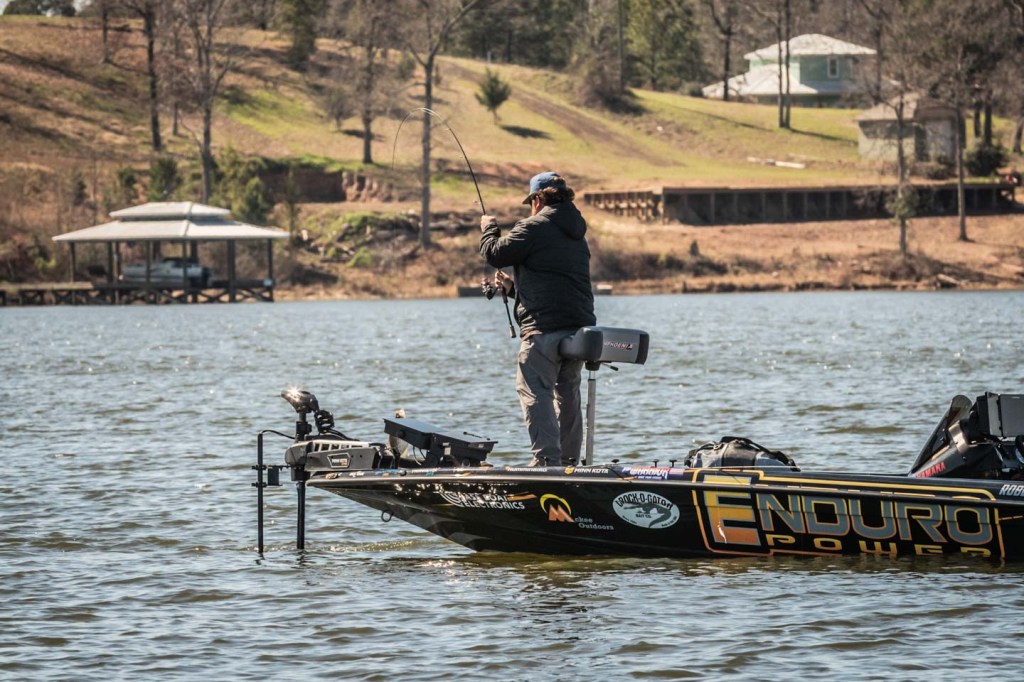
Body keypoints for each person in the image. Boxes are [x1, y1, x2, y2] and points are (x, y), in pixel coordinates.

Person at [479, 171, 596, 466]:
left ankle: (546, 461)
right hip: (578, 330)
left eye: (531, 202)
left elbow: (494, 254)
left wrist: (489, 228)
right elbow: (555, 283)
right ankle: (568, 463)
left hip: (544, 330)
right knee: (568, 393)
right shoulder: (577, 234)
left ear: (539, 199)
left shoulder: (534, 226)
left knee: (534, 390)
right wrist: (512, 289)